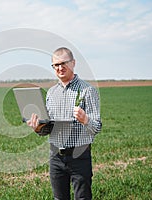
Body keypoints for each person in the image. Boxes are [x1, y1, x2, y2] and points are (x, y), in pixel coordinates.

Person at [27, 47, 102, 200]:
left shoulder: (88, 90)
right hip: (55, 156)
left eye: (63, 63)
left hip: (79, 155)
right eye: (56, 65)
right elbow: (48, 128)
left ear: (73, 63)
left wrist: (85, 120)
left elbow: (97, 127)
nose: (60, 68)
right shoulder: (51, 92)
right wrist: (37, 127)